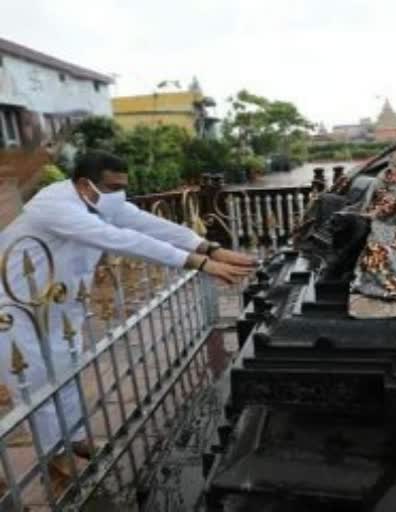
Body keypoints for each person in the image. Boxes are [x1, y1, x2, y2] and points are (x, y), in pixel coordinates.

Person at [0, 150, 254, 495]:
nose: (118, 193)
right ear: (84, 184)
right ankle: (54, 457)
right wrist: (196, 262)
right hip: (13, 306)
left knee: (68, 369)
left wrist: (209, 247)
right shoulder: (54, 205)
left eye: (123, 186)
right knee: (35, 379)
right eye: (112, 186)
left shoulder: (100, 202)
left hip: (56, 300)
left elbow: (147, 225)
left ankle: (73, 440)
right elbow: (120, 239)